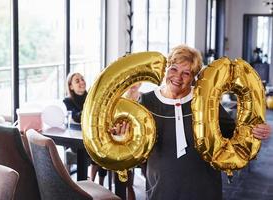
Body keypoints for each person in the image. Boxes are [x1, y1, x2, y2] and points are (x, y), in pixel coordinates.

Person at [112, 44, 271, 200]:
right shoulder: (146, 101)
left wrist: (254, 130)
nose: (178, 77)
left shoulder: (205, 100)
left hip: (204, 189)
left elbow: (234, 132)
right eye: (173, 69)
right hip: (161, 189)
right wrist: (121, 134)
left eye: (186, 73)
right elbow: (131, 141)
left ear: (194, 77)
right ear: (166, 69)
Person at [63, 72, 107, 186]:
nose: (82, 82)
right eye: (77, 81)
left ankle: (97, 182)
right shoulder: (67, 101)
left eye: (82, 79)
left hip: (92, 137)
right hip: (76, 140)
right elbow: (76, 117)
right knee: (97, 149)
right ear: (71, 86)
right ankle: (88, 183)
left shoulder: (92, 97)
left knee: (103, 148)